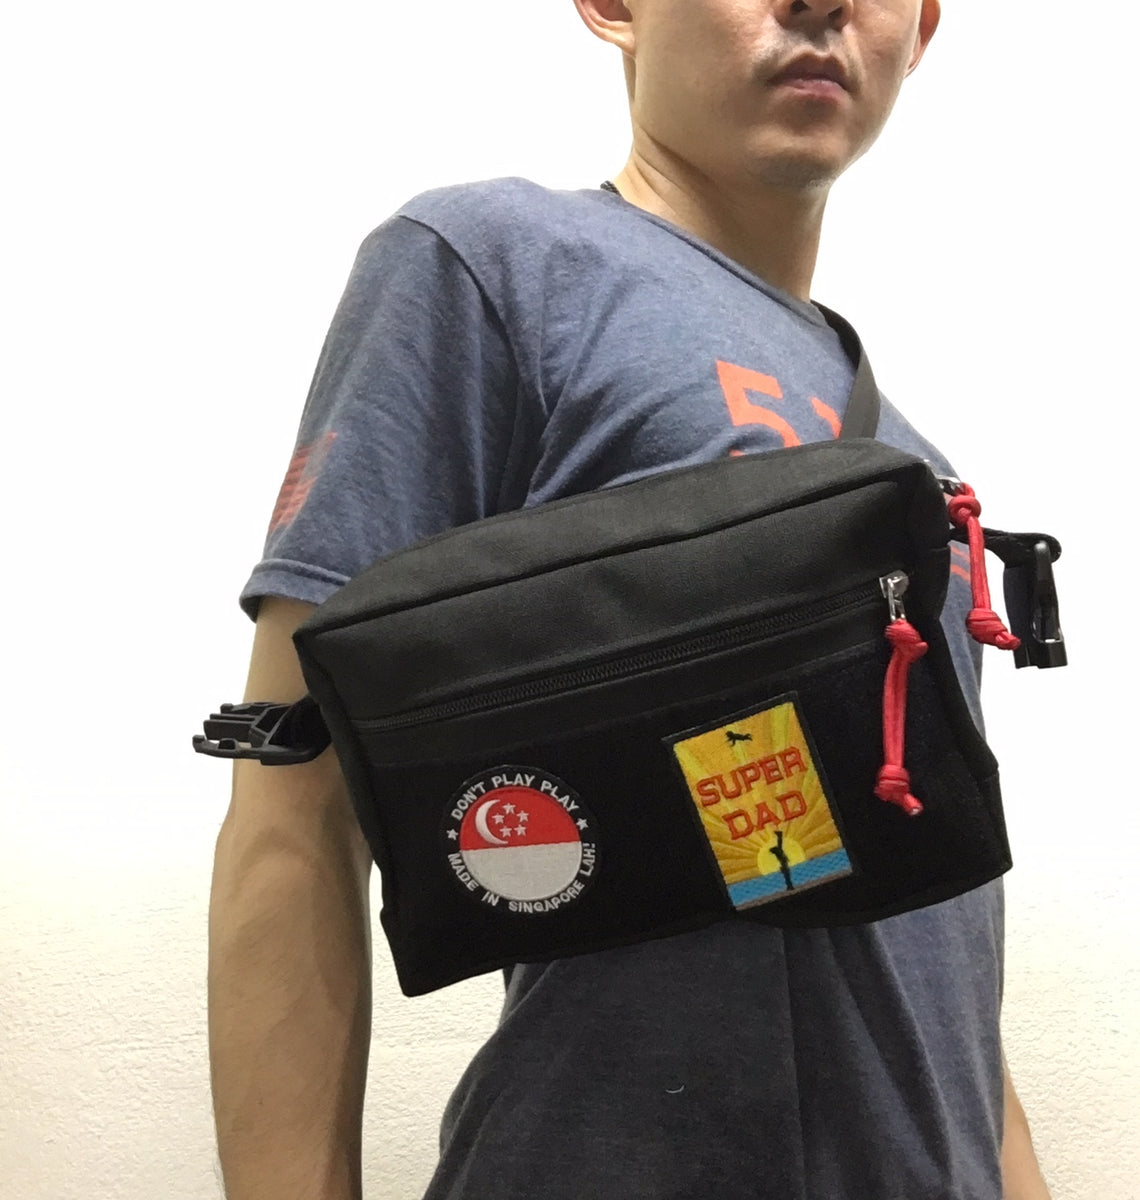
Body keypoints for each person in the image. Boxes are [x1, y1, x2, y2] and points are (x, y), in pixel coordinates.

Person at [207, 2, 1053, 1197]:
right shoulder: (497, 265)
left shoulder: (914, 460)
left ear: (918, 31)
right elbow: (293, 801)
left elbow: (938, 932)